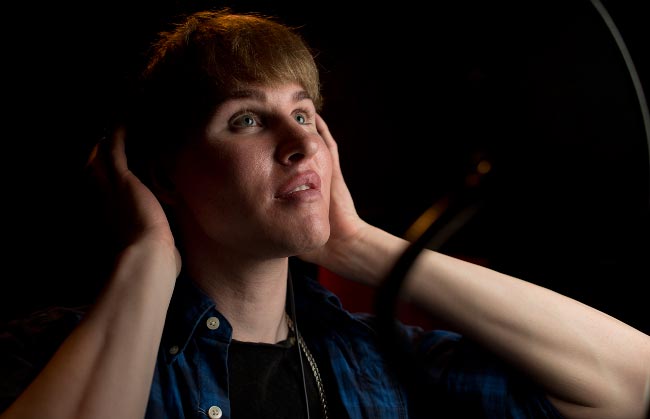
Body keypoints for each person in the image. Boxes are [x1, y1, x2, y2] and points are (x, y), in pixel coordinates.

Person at [1, 7, 649, 419]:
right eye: (247, 119)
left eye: (304, 113)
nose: (301, 142)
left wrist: (357, 243)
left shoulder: (382, 362)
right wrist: (147, 260)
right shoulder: (48, 352)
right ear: (165, 177)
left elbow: (633, 384)